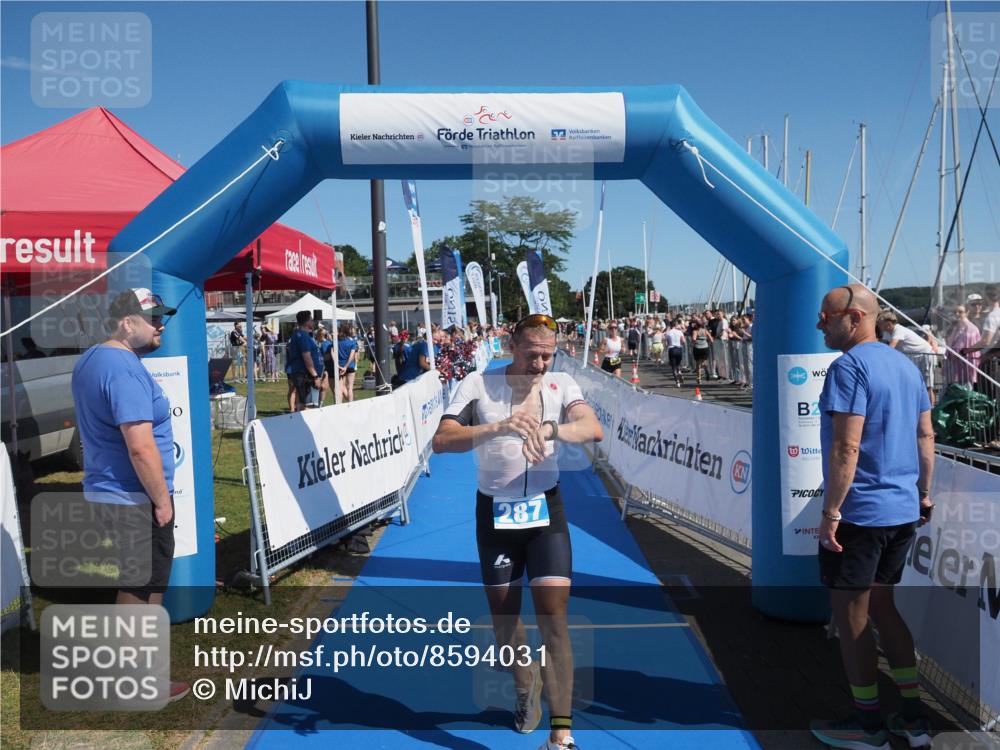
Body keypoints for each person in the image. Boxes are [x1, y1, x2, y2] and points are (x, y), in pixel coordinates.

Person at [432, 313, 603, 750]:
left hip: (546, 511)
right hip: (495, 513)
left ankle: (561, 735)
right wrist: (498, 427)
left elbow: (592, 428)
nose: (541, 364)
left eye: (548, 355)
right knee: (506, 626)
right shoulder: (478, 384)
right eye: (532, 355)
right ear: (512, 346)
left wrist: (552, 428)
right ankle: (525, 681)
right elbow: (442, 439)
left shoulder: (561, 384)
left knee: (555, 621)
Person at [811, 284, 935, 750]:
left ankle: (866, 724)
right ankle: (913, 716)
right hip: (901, 509)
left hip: (861, 514)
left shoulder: (849, 367)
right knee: (883, 606)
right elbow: (926, 435)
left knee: (852, 616)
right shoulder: (906, 365)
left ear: (856, 316)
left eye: (827, 316)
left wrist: (831, 512)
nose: (820, 323)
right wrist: (924, 493)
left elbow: (847, 444)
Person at [70, 287, 189, 702]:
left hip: (111, 491)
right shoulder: (121, 367)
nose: (162, 325)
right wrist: (161, 499)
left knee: (140, 582)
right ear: (126, 323)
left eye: (163, 317)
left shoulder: (93, 359)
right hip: (132, 495)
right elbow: (139, 445)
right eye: (153, 318)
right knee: (141, 588)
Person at [876, 311, 937, 406]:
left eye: (880, 324)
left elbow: (891, 347)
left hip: (926, 355)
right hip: (915, 357)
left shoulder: (898, 330)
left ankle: (931, 407)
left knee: (927, 385)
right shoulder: (888, 333)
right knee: (916, 383)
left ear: (888, 324)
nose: (879, 326)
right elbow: (883, 345)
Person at [285, 310, 322, 412]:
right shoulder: (302, 336)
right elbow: (307, 357)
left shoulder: (304, 335)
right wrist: (315, 375)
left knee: (304, 403)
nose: (313, 322)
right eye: (311, 320)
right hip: (305, 375)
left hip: (305, 374)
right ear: (306, 322)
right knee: (309, 405)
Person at [944, 306, 981, 385]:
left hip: (965, 368)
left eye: (960, 312)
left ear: (967, 312)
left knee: (965, 393)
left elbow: (960, 348)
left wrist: (953, 354)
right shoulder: (956, 328)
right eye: (955, 312)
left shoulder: (970, 329)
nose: (957, 314)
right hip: (955, 367)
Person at [337, 324, 359, 402]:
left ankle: (339, 405)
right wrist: (346, 366)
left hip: (340, 366)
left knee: (340, 388)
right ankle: (351, 404)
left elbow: (333, 352)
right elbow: (352, 355)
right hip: (350, 366)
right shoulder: (352, 342)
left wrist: (339, 365)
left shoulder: (337, 342)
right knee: (350, 388)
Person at [689, 320, 713, 385]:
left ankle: (698, 378)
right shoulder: (705, 331)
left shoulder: (695, 331)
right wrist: (706, 340)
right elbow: (711, 339)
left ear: (697, 325)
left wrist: (693, 341)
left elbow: (694, 339)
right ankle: (706, 369)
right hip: (705, 347)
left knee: (698, 364)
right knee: (704, 361)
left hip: (697, 347)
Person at [315, 327, 334, 405]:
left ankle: (320, 404)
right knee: (323, 387)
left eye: (317, 336)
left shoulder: (325, 344)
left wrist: (321, 358)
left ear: (321, 336)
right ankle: (320, 404)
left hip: (328, 368)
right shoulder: (324, 343)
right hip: (326, 368)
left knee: (324, 387)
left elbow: (328, 356)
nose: (316, 338)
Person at [665, 319, 686, 387]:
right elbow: (683, 341)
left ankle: (677, 382)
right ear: (676, 325)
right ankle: (679, 372)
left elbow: (666, 343)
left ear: (670, 325)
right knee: (678, 364)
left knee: (673, 366)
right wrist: (680, 343)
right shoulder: (679, 332)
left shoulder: (668, 333)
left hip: (671, 349)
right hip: (679, 348)